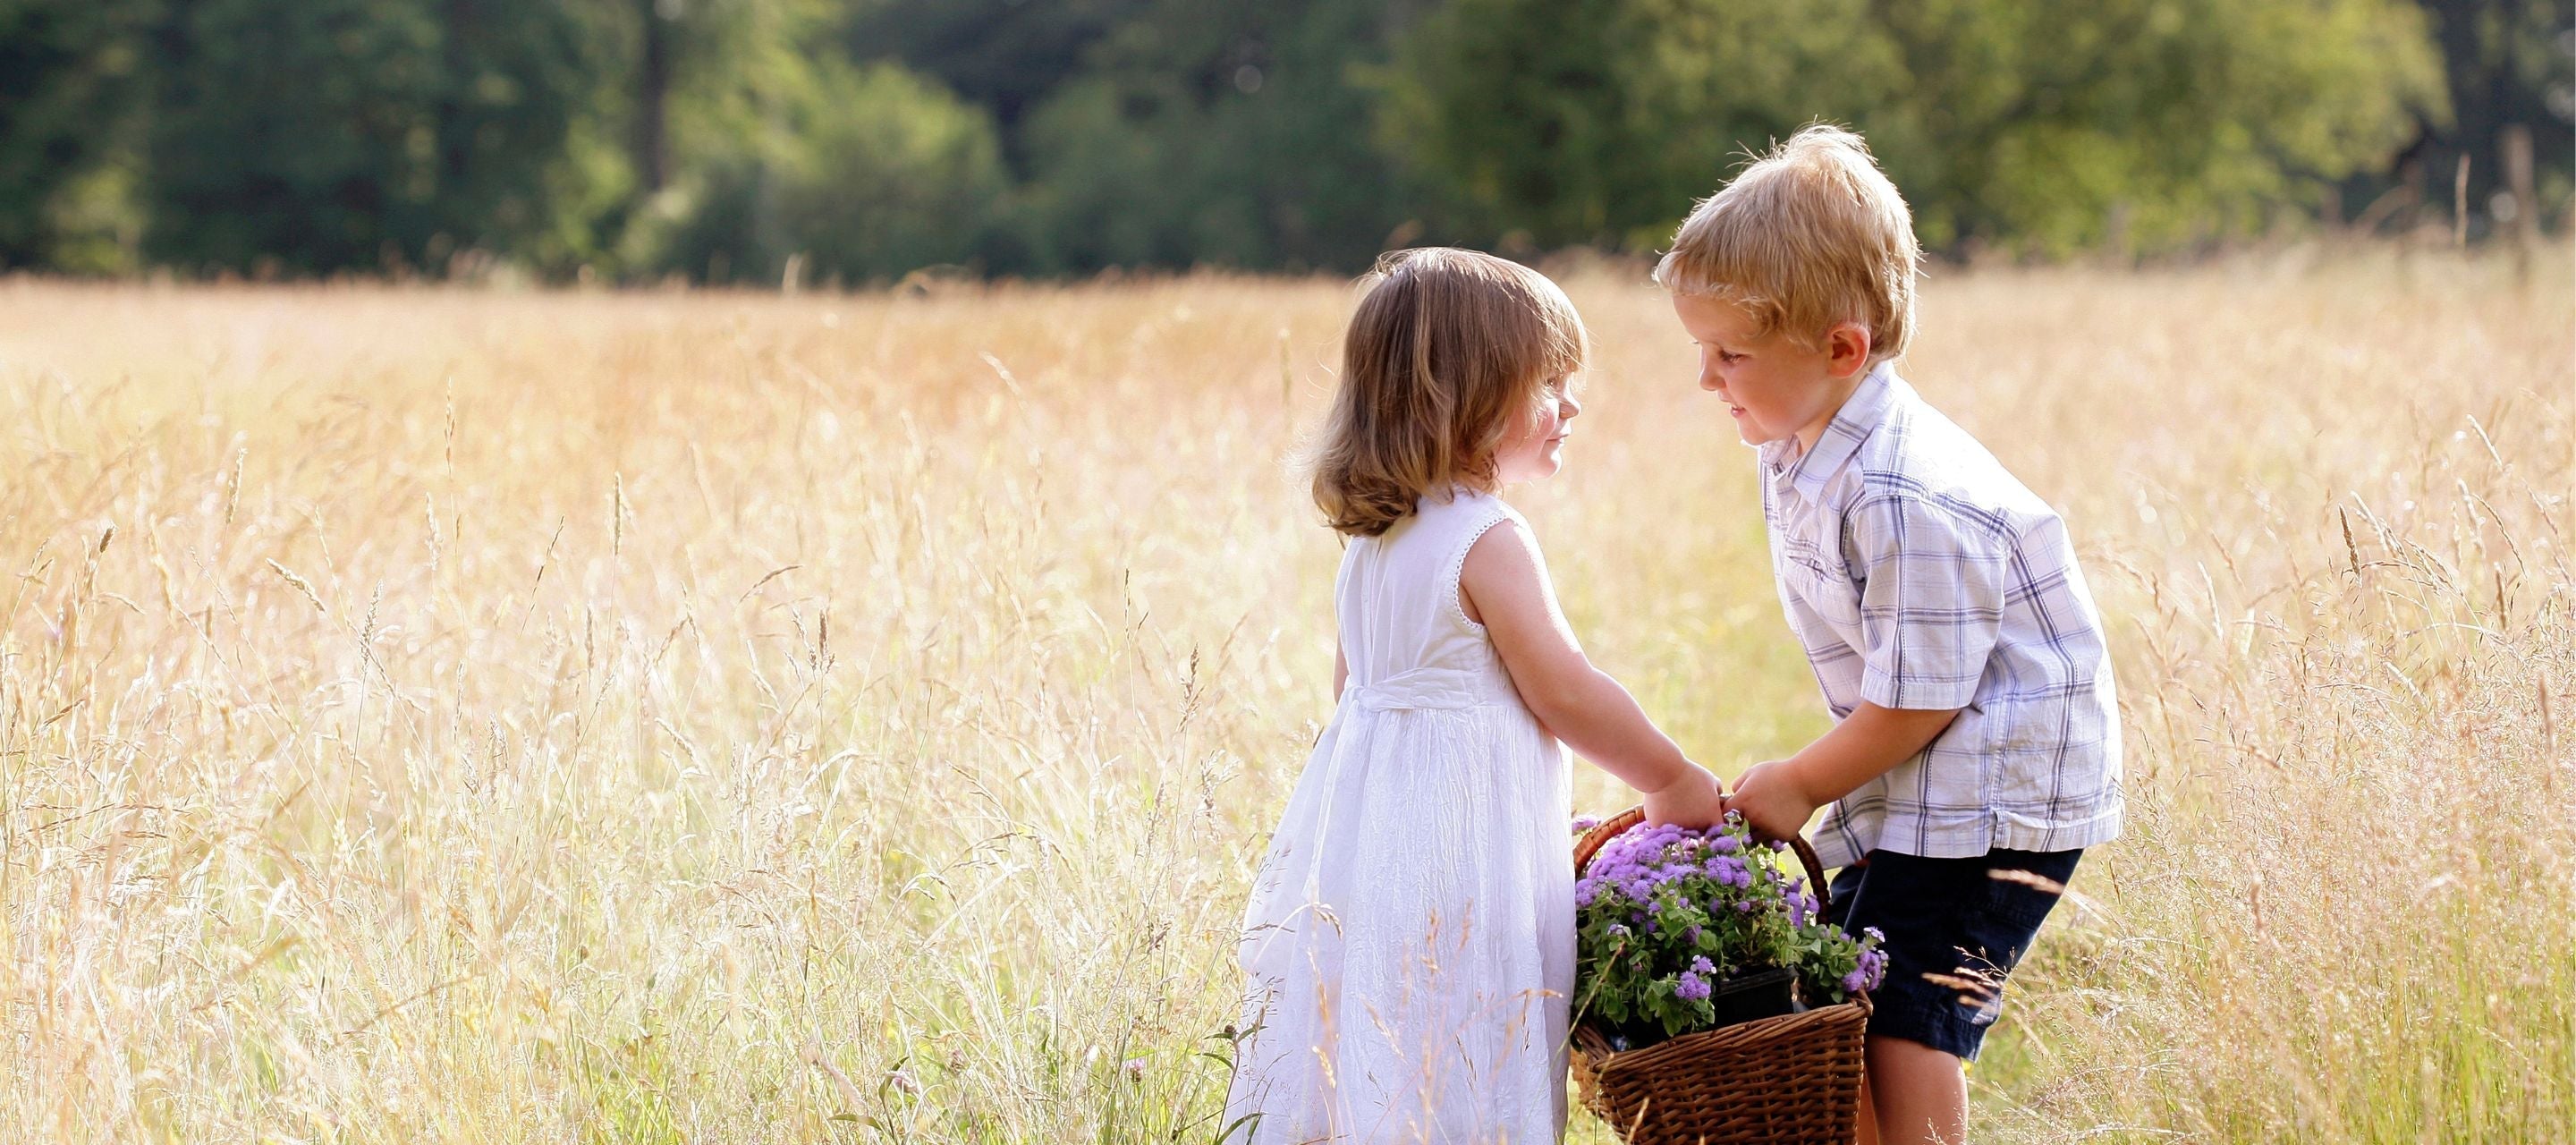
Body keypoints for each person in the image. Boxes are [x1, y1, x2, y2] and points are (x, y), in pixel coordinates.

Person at [1661, 126, 2123, 1145]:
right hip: (1925, 781)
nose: (1707, 377)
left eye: (1729, 353)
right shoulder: (1795, 442)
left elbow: (1926, 694)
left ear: (1840, 348)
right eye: (1703, 349)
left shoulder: (1904, 492)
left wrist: (1799, 779)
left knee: (1906, 1012)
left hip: (1997, 789)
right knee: (1846, 993)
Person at [1225, 247, 1727, 1142]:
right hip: (1467, 859)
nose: (1572, 402)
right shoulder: (1487, 537)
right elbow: (1566, 692)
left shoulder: (1372, 545)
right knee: (1468, 1031)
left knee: (1385, 1043)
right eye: (1549, 381)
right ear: (1468, 396)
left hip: (1376, 859)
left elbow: (1353, 703)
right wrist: (1672, 778)